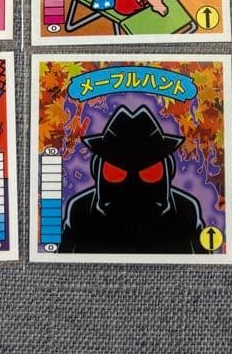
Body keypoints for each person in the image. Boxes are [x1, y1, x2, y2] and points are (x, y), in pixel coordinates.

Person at [59, 105, 204, 254]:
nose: (132, 184)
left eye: (150, 173)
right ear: (97, 170)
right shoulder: (80, 211)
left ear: (169, 169)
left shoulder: (186, 211)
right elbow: (62, 258)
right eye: (115, 173)